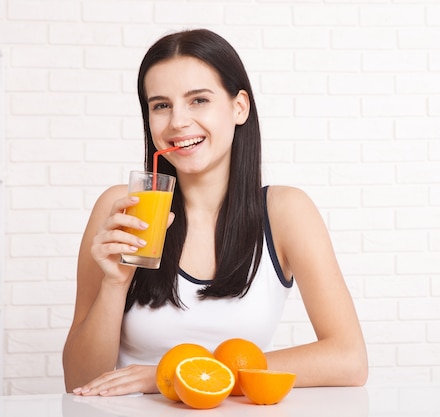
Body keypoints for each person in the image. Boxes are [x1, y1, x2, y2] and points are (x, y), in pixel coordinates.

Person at [62, 28, 368, 396]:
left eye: (198, 100)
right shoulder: (125, 207)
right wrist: (115, 283)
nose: (177, 121)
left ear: (239, 107)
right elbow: (80, 383)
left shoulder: (285, 213)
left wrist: (171, 373)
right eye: (161, 105)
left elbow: (349, 359)